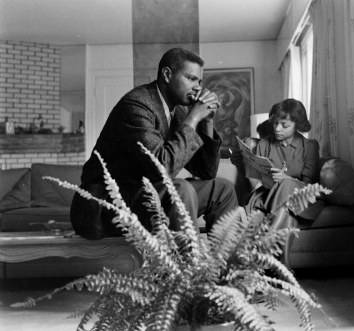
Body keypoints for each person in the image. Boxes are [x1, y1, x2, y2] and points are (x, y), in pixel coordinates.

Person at [71, 48, 239, 239]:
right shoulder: (136, 105)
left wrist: (207, 122)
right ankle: (189, 267)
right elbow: (162, 168)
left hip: (146, 197)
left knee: (222, 189)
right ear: (167, 75)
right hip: (106, 204)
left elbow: (206, 171)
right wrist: (193, 119)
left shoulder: (178, 113)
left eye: (199, 82)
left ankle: (226, 263)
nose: (197, 88)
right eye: (191, 79)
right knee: (180, 189)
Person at [244, 99, 324, 265]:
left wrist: (287, 179)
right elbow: (255, 181)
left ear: (297, 124)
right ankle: (283, 267)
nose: (277, 129)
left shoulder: (309, 146)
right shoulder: (264, 144)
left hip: (303, 197)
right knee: (288, 215)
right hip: (268, 196)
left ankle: (267, 242)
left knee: (287, 186)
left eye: (284, 125)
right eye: (275, 123)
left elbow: (309, 184)